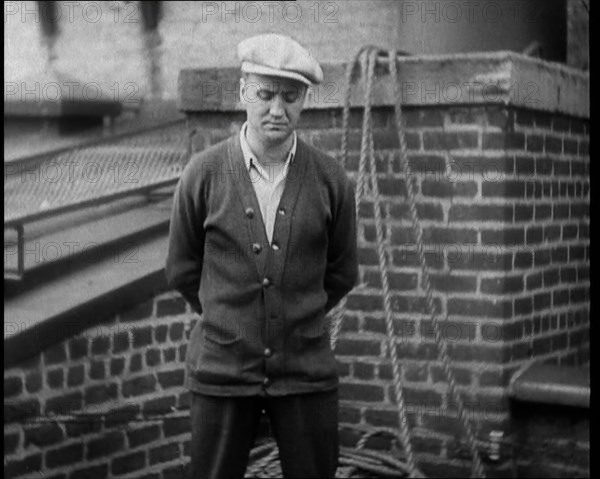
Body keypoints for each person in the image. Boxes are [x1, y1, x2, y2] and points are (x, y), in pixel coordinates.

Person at [165, 33, 358, 479]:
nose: (277, 109)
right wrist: (230, 316)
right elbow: (181, 269)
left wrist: (295, 312)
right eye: (265, 94)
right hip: (223, 368)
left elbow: (342, 272)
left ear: (304, 100)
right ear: (242, 93)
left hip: (305, 370)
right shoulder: (204, 174)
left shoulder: (332, 181)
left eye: (290, 97)